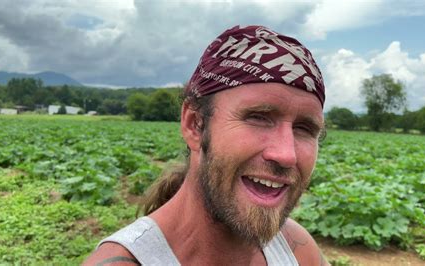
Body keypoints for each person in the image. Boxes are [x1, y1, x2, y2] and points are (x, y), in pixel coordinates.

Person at [84, 25, 328, 266]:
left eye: (304, 128)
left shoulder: (295, 247)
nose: (286, 155)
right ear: (195, 124)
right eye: (258, 117)